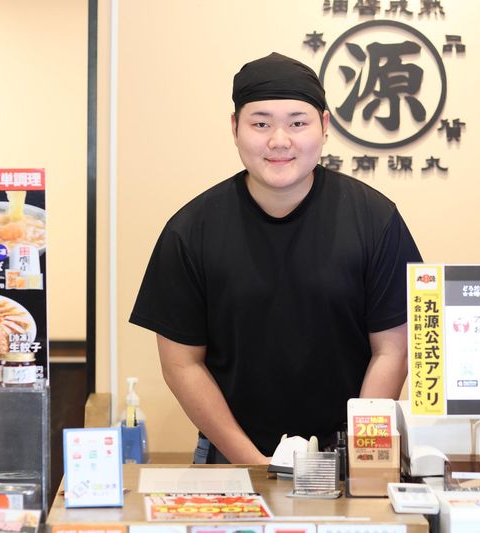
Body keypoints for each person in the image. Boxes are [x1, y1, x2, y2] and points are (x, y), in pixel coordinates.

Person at [129, 52, 422, 464]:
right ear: (235, 128)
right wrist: (254, 464)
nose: (279, 140)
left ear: (324, 125)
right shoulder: (191, 229)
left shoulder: (375, 220)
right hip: (229, 458)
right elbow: (182, 364)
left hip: (349, 457)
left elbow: (393, 350)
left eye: (297, 123)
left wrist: (359, 453)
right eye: (260, 123)